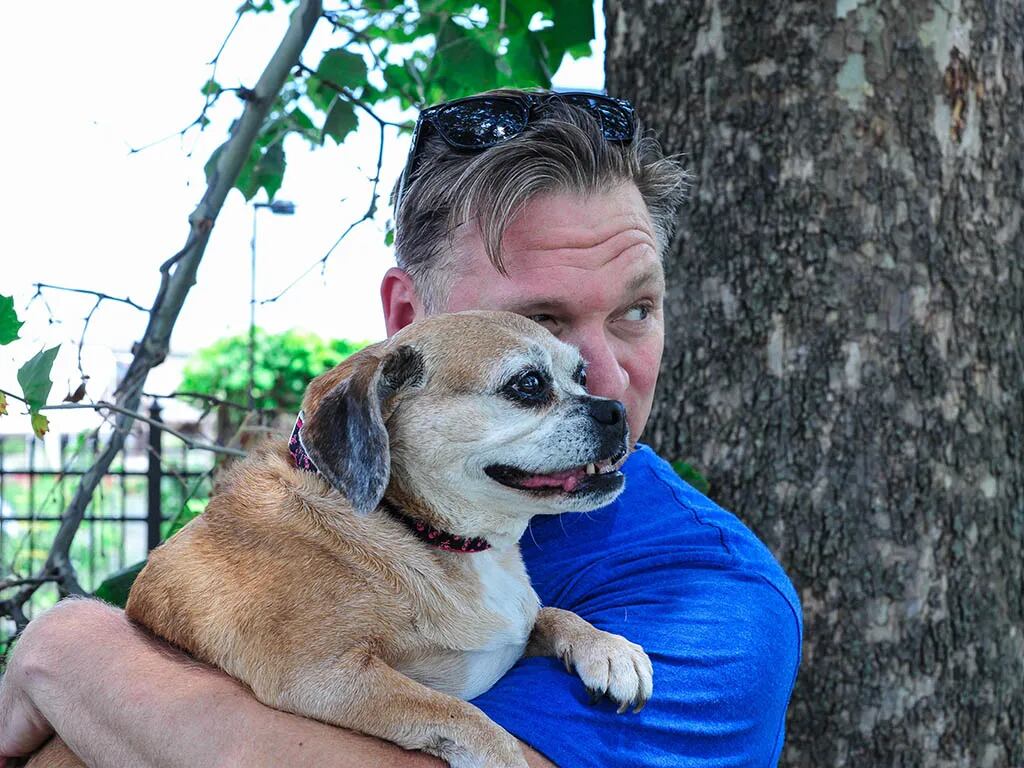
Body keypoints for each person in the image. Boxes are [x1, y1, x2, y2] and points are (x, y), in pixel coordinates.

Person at [0, 89, 802, 767]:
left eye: (637, 309)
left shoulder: (710, 605)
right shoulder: (312, 521)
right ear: (405, 321)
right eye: (539, 324)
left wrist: (69, 652)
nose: (602, 376)